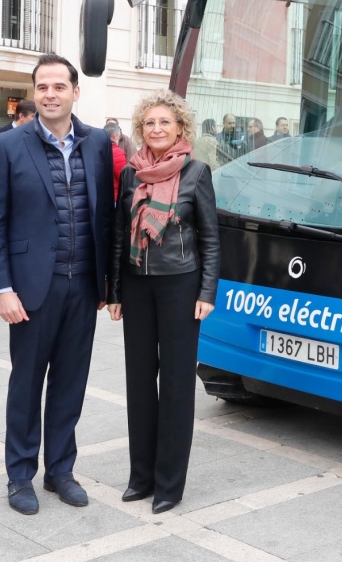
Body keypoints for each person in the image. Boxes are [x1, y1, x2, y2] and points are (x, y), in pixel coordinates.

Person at [0, 52, 114, 515]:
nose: (50, 94)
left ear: (75, 92)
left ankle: (61, 470)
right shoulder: (8, 145)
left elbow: (107, 217)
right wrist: (1, 287)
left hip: (82, 286)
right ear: (33, 94)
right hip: (30, 290)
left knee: (70, 383)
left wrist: (109, 285)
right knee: (26, 383)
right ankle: (20, 475)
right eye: (42, 87)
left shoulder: (98, 143)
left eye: (59, 86)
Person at [107, 90, 220, 515]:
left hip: (181, 286)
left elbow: (210, 238)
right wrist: (114, 292)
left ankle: (170, 483)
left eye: (164, 123)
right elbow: (119, 236)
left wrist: (207, 293)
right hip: (137, 287)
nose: (156, 129)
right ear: (141, 130)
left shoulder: (196, 172)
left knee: (175, 385)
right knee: (139, 382)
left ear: (180, 129)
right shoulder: (130, 176)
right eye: (150, 123)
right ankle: (142, 477)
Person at [104, 121, 128, 201]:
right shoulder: (117, 152)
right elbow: (123, 177)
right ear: (115, 136)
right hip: (114, 197)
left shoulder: (98, 150)